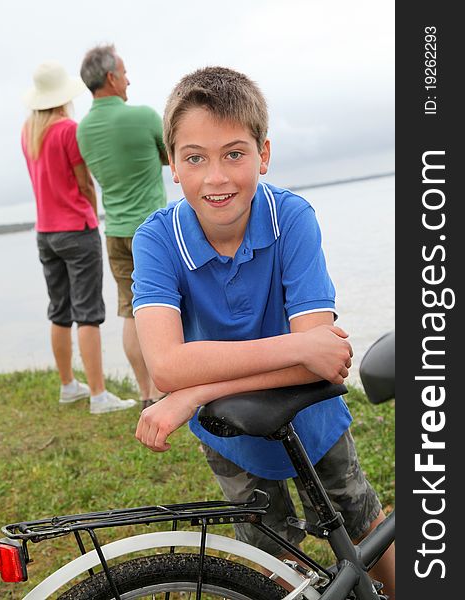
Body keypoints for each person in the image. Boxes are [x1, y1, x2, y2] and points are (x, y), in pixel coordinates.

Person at [131, 66, 395, 597]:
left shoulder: (292, 218)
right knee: (264, 552)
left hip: (310, 409)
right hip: (230, 429)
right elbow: (164, 366)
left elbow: (322, 360)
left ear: (263, 155)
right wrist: (298, 346)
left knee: (361, 517)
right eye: (195, 158)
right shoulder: (157, 240)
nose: (216, 177)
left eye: (234, 153)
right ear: (174, 167)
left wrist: (195, 389)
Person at [21, 60, 137, 415]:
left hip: (45, 232)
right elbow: (84, 182)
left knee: (59, 311)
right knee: (88, 313)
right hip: (76, 228)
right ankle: (100, 396)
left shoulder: (28, 130)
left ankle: (68, 384)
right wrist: (90, 207)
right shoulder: (68, 130)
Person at [77, 45, 168, 410]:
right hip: (153, 228)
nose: (129, 79)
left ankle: (146, 392)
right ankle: (170, 387)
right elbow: (170, 153)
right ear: (112, 77)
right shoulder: (144, 116)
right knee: (169, 305)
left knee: (131, 311)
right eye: (125, 72)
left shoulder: (83, 130)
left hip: (114, 230)